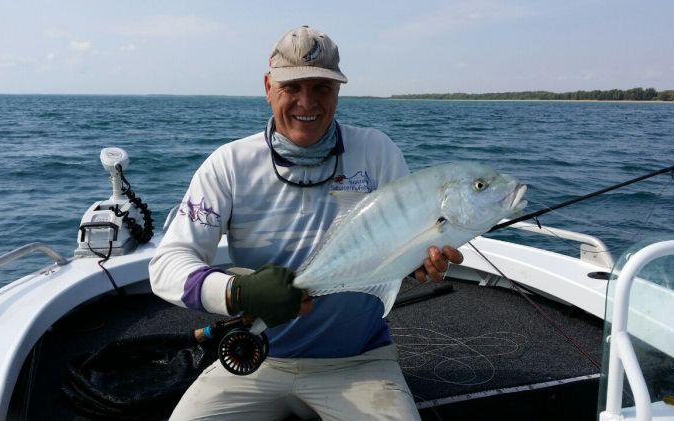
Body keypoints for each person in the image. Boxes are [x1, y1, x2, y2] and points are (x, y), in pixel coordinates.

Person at [149, 25, 463, 420]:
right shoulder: (228, 165)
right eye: (291, 88)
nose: (306, 102)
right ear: (268, 87)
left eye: (321, 88)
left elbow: (405, 240)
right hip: (257, 356)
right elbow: (167, 265)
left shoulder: (376, 151)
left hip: (360, 360)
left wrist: (420, 259)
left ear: (338, 92)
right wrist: (238, 292)